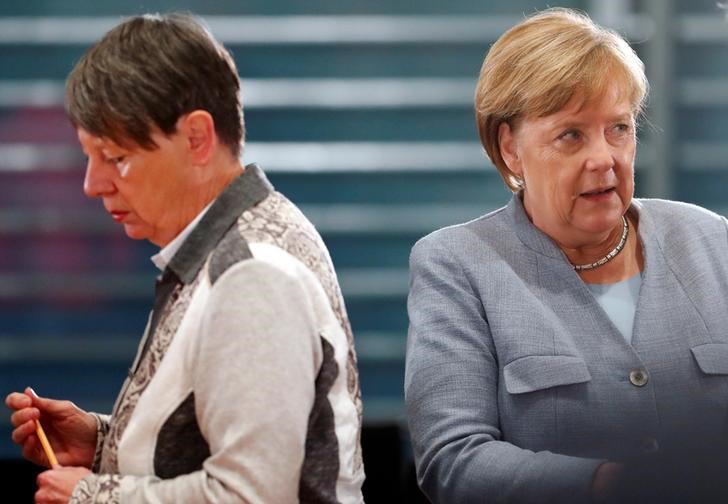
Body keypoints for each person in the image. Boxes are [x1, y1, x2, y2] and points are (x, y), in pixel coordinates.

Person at [5, 13, 365, 503]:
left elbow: (249, 494)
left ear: (197, 138)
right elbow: (214, 438)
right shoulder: (226, 245)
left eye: (116, 157)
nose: (93, 184)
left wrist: (95, 496)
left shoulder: (252, 274)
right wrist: (103, 441)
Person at [405, 7, 728, 504]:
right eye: (571, 134)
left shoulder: (711, 241)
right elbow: (453, 459)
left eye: (619, 128)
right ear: (510, 148)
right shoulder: (457, 266)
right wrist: (610, 486)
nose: (604, 157)